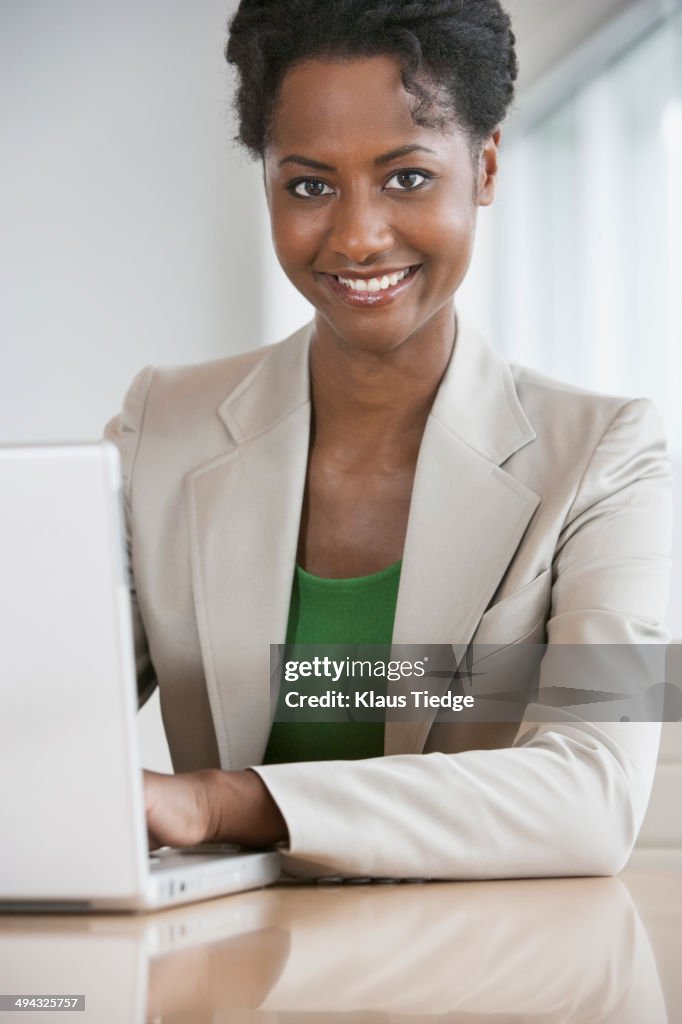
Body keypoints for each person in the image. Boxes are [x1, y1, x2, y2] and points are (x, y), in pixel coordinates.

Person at [106, 0, 672, 879]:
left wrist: (228, 802)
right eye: (309, 185)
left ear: (484, 167)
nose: (358, 237)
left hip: (479, 985)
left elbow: (596, 794)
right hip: (231, 982)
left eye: (406, 177)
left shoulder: (608, 458)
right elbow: (37, 706)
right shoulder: (159, 432)